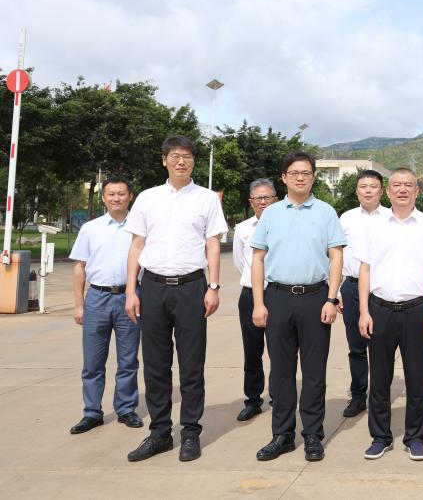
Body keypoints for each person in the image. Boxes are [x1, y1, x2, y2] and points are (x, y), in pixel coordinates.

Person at [123, 136, 228, 463]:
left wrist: (213, 286)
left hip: (191, 287)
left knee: (192, 365)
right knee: (155, 365)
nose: (181, 161)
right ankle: (159, 433)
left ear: (194, 161)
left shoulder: (207, 199)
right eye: (175, 156)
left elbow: (213, 244)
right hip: (152, 287)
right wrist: (131, 290)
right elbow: (137, 245)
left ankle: (191, 433)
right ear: (164, 160)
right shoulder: (147, 198)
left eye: (187, 157)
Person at [250, 151, 345, 462]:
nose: (300, 177)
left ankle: (313, 435)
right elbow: (258, 259)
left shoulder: (326, 212)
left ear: (313, 177)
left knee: (314, 372)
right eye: (294, 172)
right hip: (277, 297)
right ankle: (282, 435)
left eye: (306, 172)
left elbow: (336, 257)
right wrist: (259, 303)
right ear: (284, 177)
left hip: (316, 298)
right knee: (281, 372)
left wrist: (331, 298)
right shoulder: (271, 214)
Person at [356, 167, 423, 462]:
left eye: (408, 185)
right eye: (397, 185)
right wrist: (364, 311)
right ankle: (380, 437)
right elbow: (365, 270)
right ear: (388, 190)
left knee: (417, 379)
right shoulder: (374, 226)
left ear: (417, 191)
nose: (403, 189)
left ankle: (416, 438)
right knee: (379, 379)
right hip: (380, 309)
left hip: (417, 310)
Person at [68, 177, 142, 435]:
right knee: (93, 361)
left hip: (129, 298)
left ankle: (126, 408)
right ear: (103, 198)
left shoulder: (140, 229)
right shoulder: (91, 228)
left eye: (121, 193)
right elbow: (80, 268)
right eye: (111, 194)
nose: (116, 198)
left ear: (130, 196)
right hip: (97, 299)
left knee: (128, 359)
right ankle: (92, 413)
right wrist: (79, 305)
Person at [338, 169, 391, 418]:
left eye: (373, 186)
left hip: (381, 289)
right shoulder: (346, 218)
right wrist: (336, 291)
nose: (368, 191)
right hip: (351, 287)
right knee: (356, 345)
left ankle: (381, 396)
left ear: (382, 190)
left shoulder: (392, 218)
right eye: (363, 186)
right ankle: (358, 395)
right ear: (356, 191)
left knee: (381, 346)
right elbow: (336, 256)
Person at [232, 178, 278, 422]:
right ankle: (252, 399)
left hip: (278, 294)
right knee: (252, 350)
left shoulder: (283, 225)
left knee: (279, 349)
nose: (263, 202)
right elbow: (240, 262)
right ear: (251, 202)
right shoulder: (242, 229)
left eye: (267, 197)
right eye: (258, 198)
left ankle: (279, 397)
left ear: (275, 200)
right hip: (250, 295)